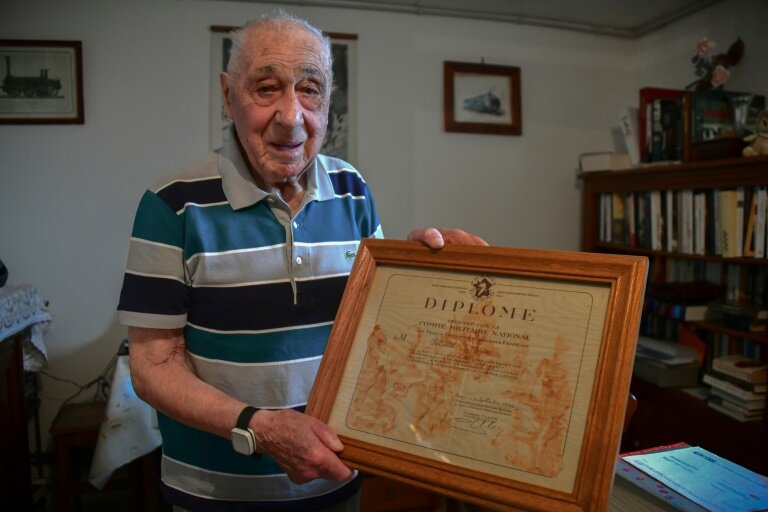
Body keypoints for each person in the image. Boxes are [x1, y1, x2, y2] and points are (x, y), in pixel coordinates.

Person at [117, 10, 486, 512]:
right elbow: (151, 367)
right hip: (215, 497)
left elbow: (376, 329)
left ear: (328, 102)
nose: (292, 116)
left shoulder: (353, 191)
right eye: (267, 87)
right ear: (228, 95)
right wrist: (258, 426)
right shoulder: (171, 205)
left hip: (335, 485)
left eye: (309, 90)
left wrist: (425, 273)